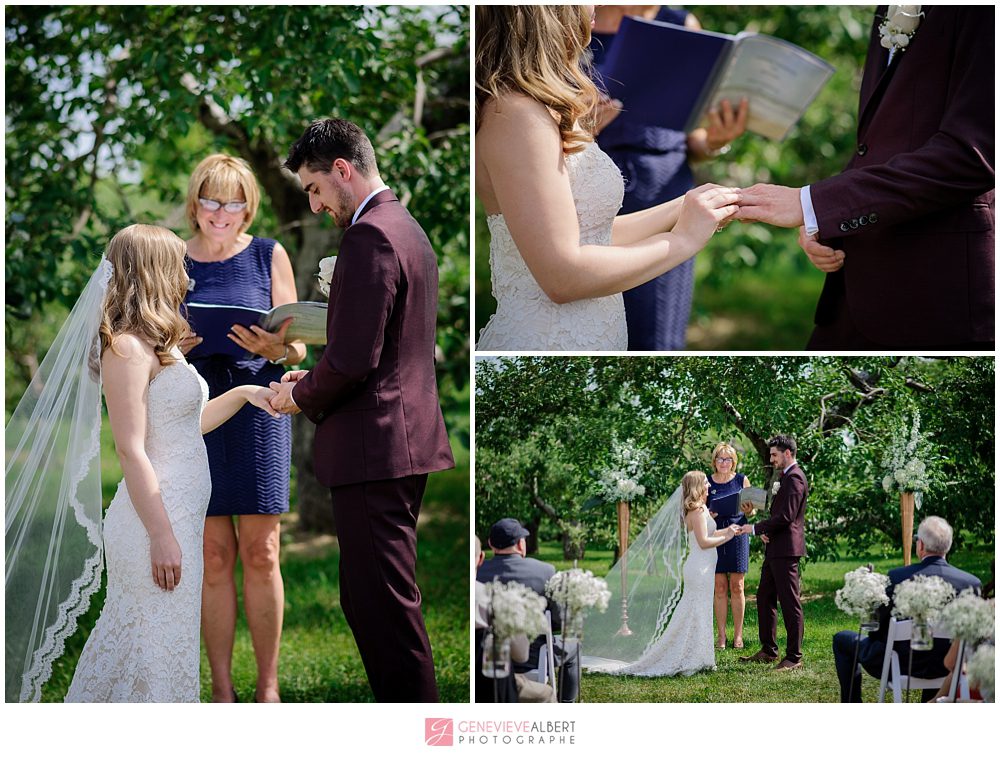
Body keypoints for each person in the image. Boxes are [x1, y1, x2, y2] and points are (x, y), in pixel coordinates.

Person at [5, 224, 280, 702]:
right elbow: (131, 448)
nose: (185, 275)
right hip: (154, 522)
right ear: (152, 272)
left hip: (179, 519)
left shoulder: (162, 345)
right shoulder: (126, 348)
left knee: (165, 649)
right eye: (176, 265)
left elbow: (184, 424)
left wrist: (246, 393)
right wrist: (161, 536)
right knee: (146, 649)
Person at [269, 118, 455, 702]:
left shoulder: (371, 235)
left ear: (343, 171)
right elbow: (381, 353)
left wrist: (296, 395)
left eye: (316, 188)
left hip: (379, 449)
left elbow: (352, 359)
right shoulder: (404, 226)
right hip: (395, 436)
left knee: (386, 611)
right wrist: (312, 377)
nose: (316, 203)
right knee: (370, 599)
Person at [475, 4, 740, 351]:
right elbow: (563, 276)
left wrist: (689, 206)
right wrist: (684, 240)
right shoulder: (518, 115)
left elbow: (590, 236)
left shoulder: (532, 108)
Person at [735, 6, 994, 350]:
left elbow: (972, 155)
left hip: (936, 289)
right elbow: (880, 142)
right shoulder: (887, 9)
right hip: (857, 284)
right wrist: (823, 218)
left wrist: (811, 203)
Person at [181, 154, 305, 703]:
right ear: (195, 202)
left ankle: (268, 686)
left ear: (248, 206)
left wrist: (278, 346)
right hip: (197, 408)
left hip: (259, 405)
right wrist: (172, 345)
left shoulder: (268, 254)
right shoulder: (172, 257)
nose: (222, 212)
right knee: (212, 554)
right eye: (212, 199)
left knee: (262, 551)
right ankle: (223, 689)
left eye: (233, 201)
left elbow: (299, 342)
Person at [590, 5, 748, 349]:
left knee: (655, 337)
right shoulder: (566, 19)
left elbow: (694, 139)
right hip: (584, 191)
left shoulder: (682, 24)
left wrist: (718, 140)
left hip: (663, 198)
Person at [588, 471, 738, 676]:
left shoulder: (702, 509)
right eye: (705, 483)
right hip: (699, 569)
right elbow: (703, 542)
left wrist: (729, 529)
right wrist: (728, 536)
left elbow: (710, 535)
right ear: (697, 487)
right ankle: (691, 658)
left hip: (704, 568)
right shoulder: (696, 511)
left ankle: (700, 656)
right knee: (694, 611)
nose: (709, 486)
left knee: (700, 611)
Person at [831, 516, 981, 703]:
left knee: (841, 640)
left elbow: (878, 631)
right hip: (950, 667)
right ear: (947, 546)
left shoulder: (898, 577)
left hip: (899, 664)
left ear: (920, 545)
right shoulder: (971, 583)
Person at [476, 518, 579, 702]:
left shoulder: (479, 573)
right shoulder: (546, 570)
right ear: (520, 543)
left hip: (487, 659)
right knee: (574, 646)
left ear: (491, 544)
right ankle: (566, 703)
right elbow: (558, 621)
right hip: (535, 656)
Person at [736, 434, 807, 671]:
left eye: (775, 454)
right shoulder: (784, 478)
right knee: (765, 596)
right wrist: (769, 533)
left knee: (790, 602)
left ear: (788, 453)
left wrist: (755, 528)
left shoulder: (795, 478)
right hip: (775, 546)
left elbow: (787, 517)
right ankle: (768, 650)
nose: (771, 459)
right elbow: (779, 518)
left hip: (786, 551)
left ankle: (794, 657)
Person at [474, 536, 555, 703]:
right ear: (480, 557)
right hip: (496, 683)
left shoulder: (485, 578)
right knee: (546, 694)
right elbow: (521, 655)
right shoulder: (501, 599)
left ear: (491, 545)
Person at [706, 442, 751, 649]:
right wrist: (709, 514)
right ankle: (722, 636)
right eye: (720, 458)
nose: (724, 462)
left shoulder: (742, 480)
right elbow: (697, 511)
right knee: (720, 587)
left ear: (734, 461)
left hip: (738, 533)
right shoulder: (706, 482)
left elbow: (752, 512)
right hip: (715, 535)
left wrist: (750, 511)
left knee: (737, 586)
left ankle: (738, 635)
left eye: (728, 459)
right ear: (714, 461)